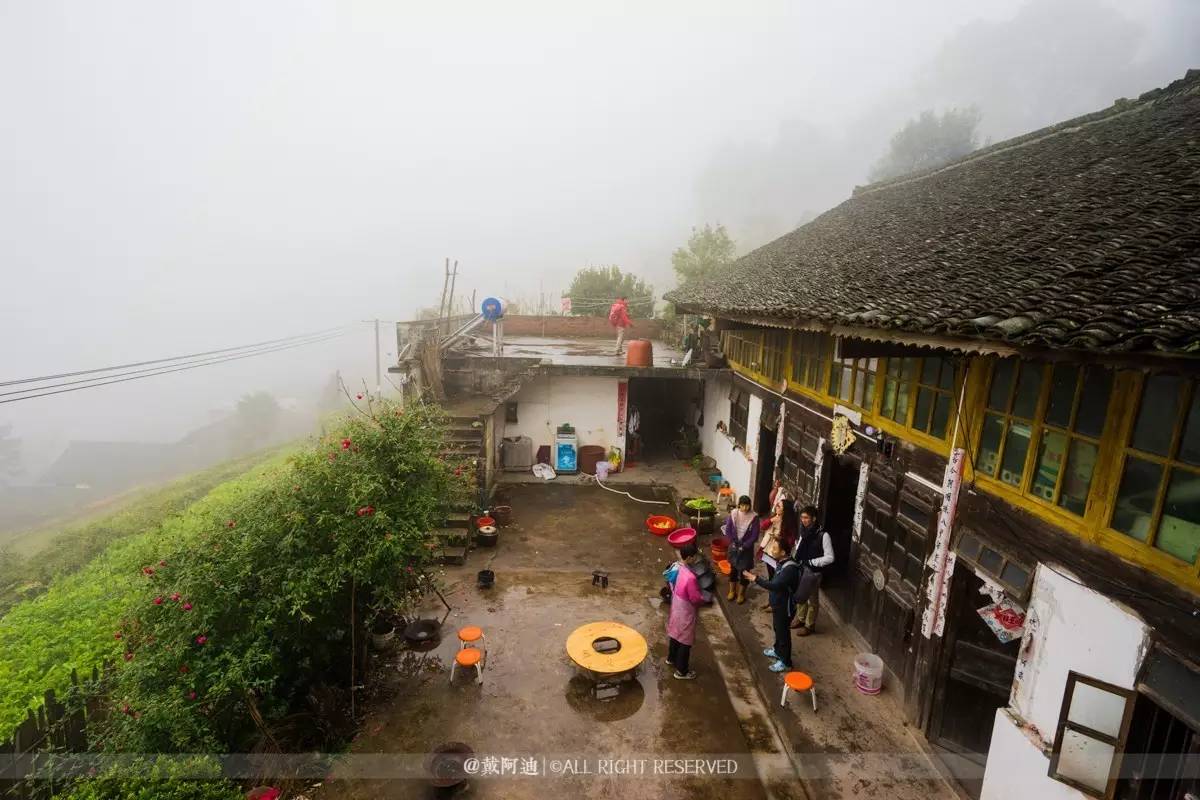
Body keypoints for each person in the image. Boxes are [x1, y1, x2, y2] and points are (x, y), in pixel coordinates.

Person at [743, 552, 801, 673]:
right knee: (777, 628)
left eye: (775, 547)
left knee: (783, 633)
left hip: (785, 607)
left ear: (783, 551)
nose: (771, 550)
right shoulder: (781, 563)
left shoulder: (789, 569)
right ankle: (777, 650)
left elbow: (774, 585)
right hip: (778, 604)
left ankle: (786, 662)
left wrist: (755, 579)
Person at [791, 505, 835, 635]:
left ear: (814, 519)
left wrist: (811, 562)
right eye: (802, 517)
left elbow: (830, 557)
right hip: (801, 568)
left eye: (806, 518)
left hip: (813, 572)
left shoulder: (823, 535)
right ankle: (800, 618)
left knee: (812, 599)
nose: (803, 520)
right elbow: (798, 548)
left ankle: (809, 625)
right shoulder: (803, 531)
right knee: (800, 593)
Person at [665, 540, 705, 679]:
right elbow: (695, 598)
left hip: (676, 605)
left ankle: (671, 658)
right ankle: (681, 671)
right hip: (686, 610)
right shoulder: (691, 578)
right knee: (685, 640)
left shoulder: (676, 567)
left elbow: (669, 582)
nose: (695, 559)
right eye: (694, 556)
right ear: (689, 558)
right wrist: (703, 599)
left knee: (675, 633)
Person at [757, 496, 798, 610]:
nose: (777, 507)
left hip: (779, 555)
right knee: (771, 577)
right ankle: (771, 602)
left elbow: (791, 540)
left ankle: (775, 604)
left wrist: (779, 538)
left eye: (779, 506)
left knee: (777, 580)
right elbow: (762, 526)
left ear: (785, 510)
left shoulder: (789, 523)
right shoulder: (774, 517)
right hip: (769, 551)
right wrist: (771, 520)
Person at [723, 495, 759, 605]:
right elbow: (728, 530)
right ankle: (732, 591)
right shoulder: (734, 514)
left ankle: (741, 594)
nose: (745, 508)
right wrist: (733, 542)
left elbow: (755, 535)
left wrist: (745, 545)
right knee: (733, 570)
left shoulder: (754, 517)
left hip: (746, 549)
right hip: (734, 547)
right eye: (742, 505)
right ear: (739, 505)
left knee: (744, 572)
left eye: (747, 505)